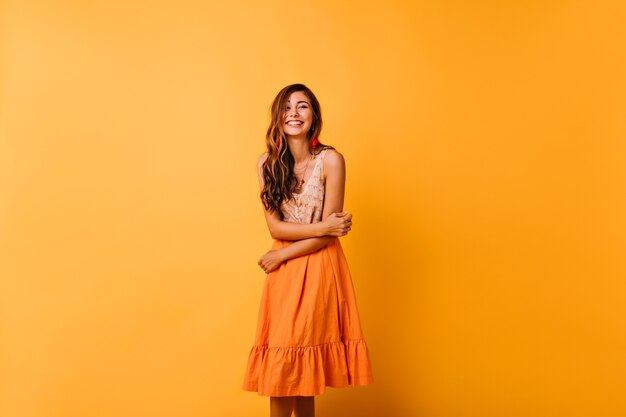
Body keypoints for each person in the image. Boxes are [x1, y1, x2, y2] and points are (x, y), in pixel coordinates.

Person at [243, 83, 373, 417]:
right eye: (287, 108)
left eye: (302, 106)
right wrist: (324, 227)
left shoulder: (331, 160)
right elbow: (278, 228)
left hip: (317, 266)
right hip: (284, 275)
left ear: (313, 117)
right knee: (283, 362)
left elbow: (330, 237)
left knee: (304, 363)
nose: (294, 114)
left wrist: (282, 253)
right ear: (278, 117)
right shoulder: (265, 164)